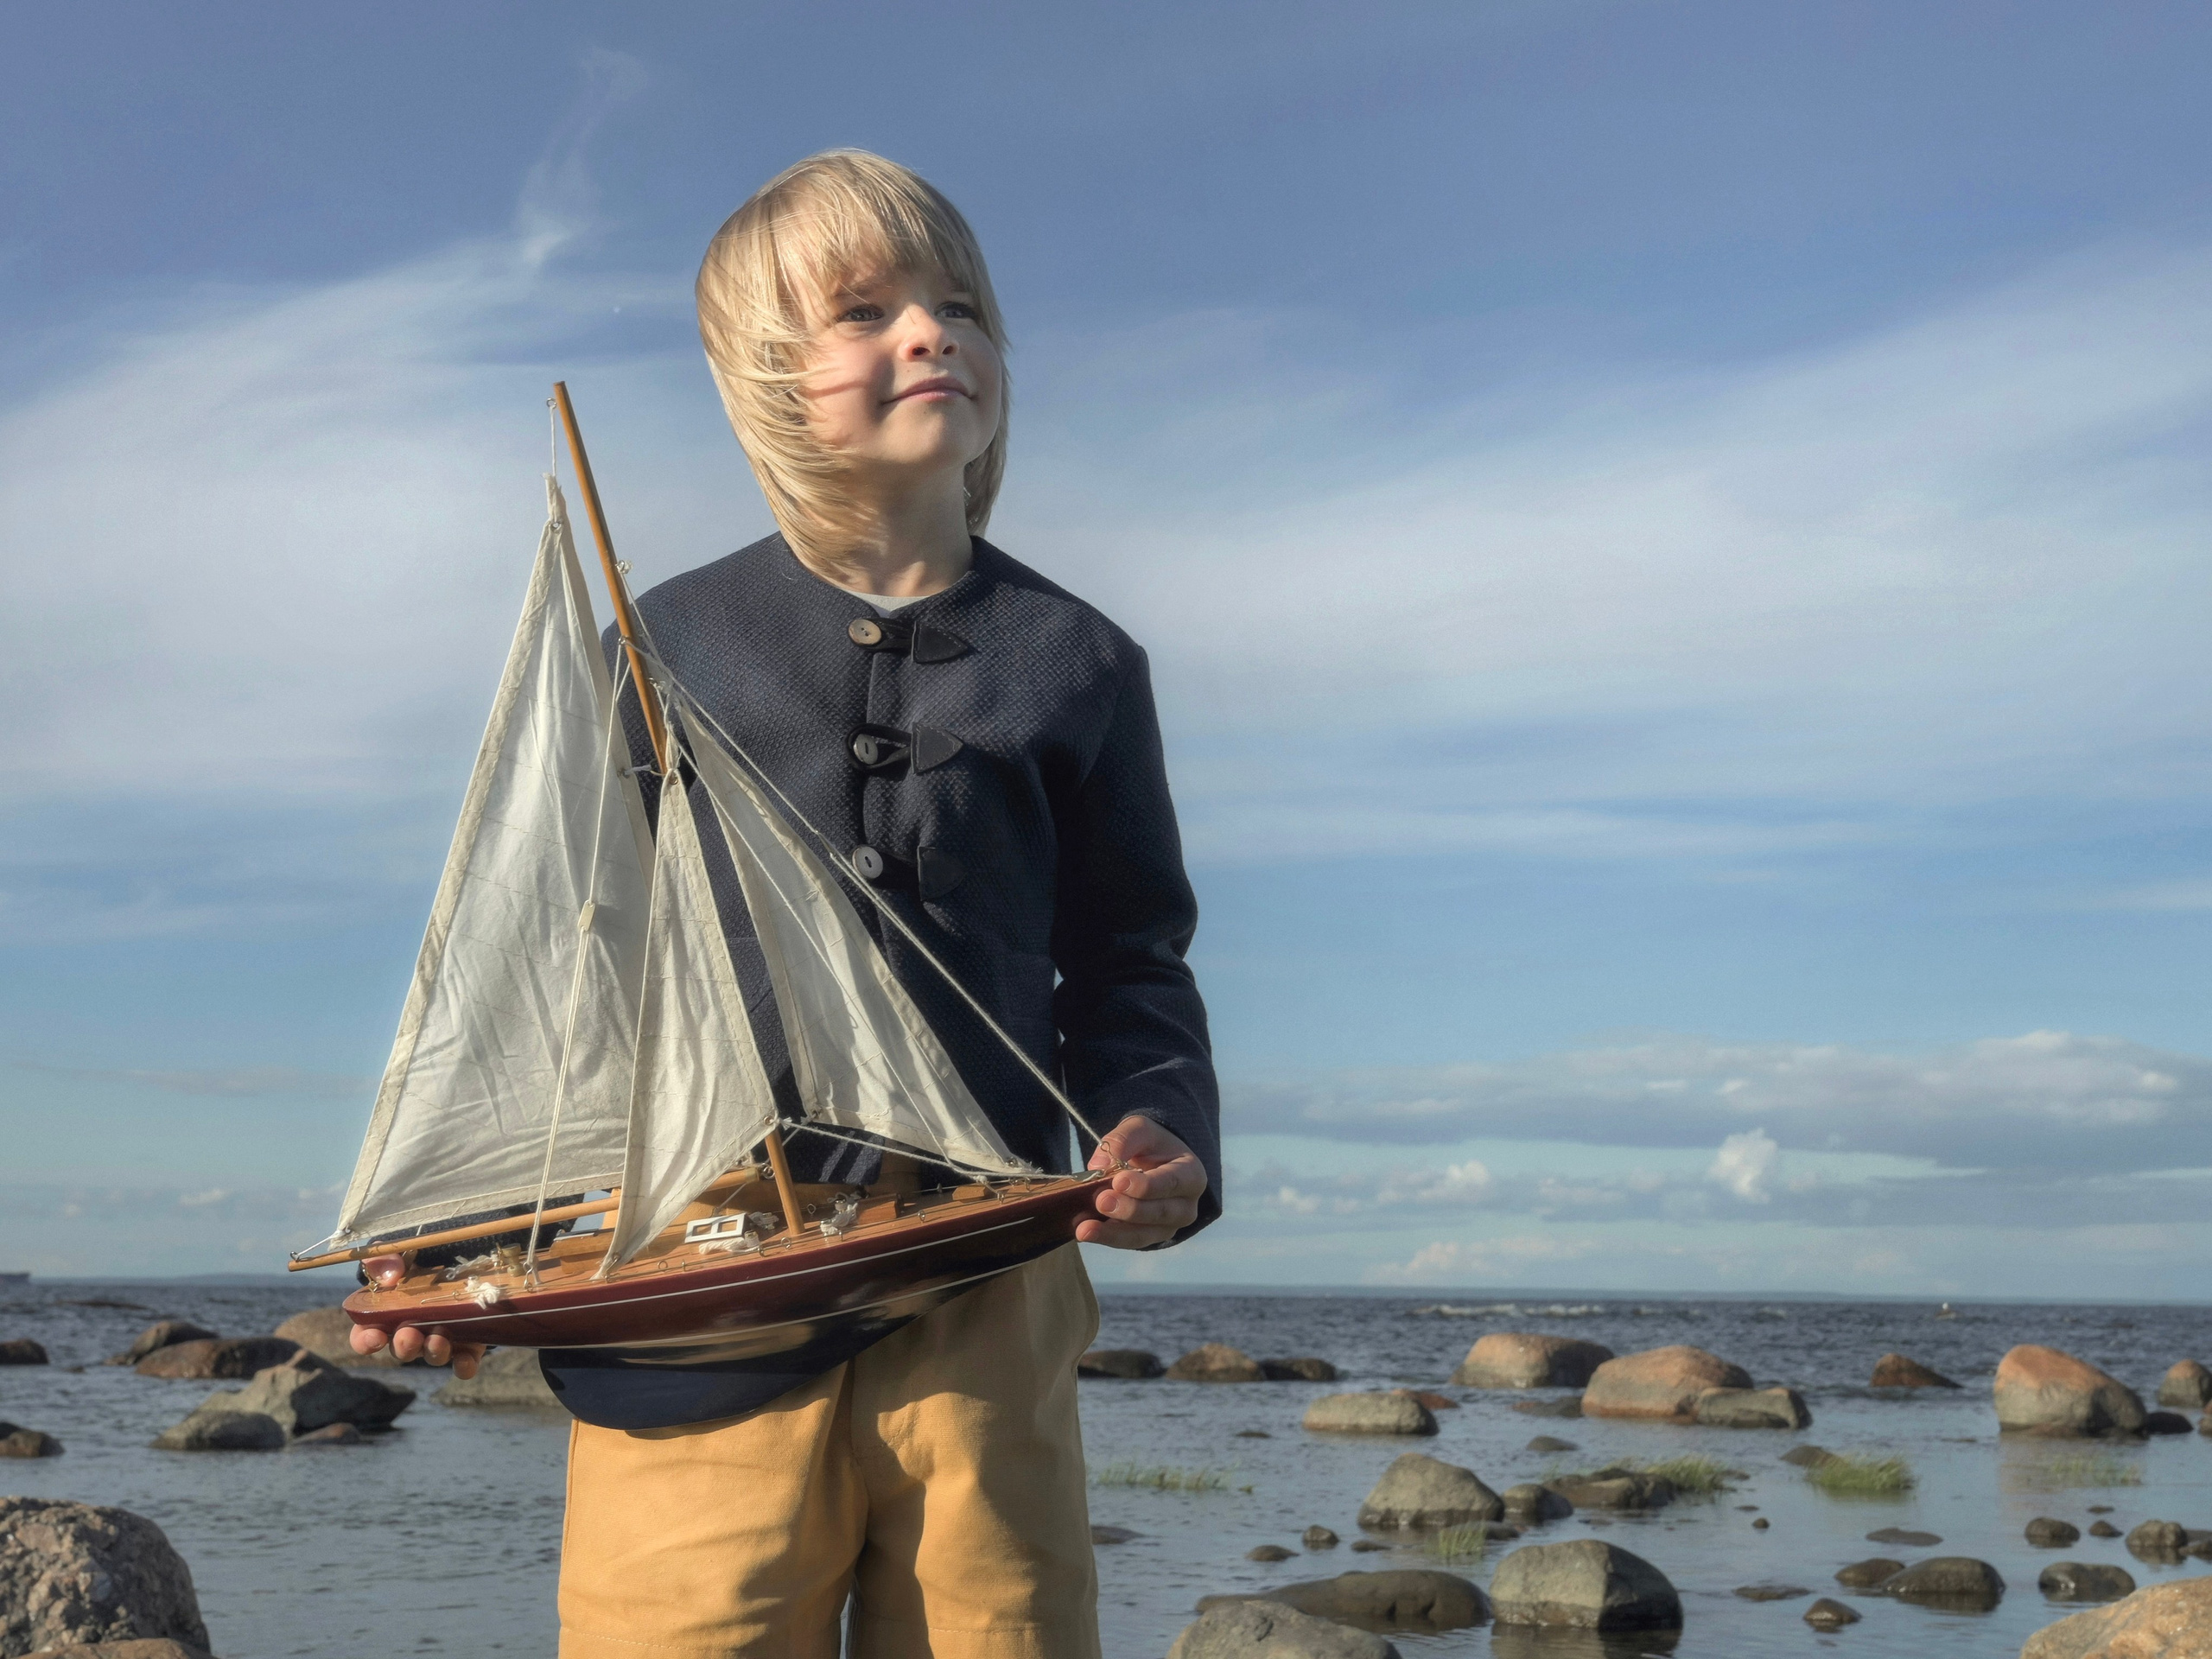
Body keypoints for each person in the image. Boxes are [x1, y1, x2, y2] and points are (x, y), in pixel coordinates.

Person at [353, 149, 1220, 1658]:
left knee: (999, 1632)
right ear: (766, 378)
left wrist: (1161, 1132)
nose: (931, 333)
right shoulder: (664, 645)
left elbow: (1130, 955)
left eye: (961, 307)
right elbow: (560, 972)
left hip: (986, 1282)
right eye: (865, 312)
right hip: (696, 1297)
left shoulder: (1081, 662)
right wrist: (463, 1241)